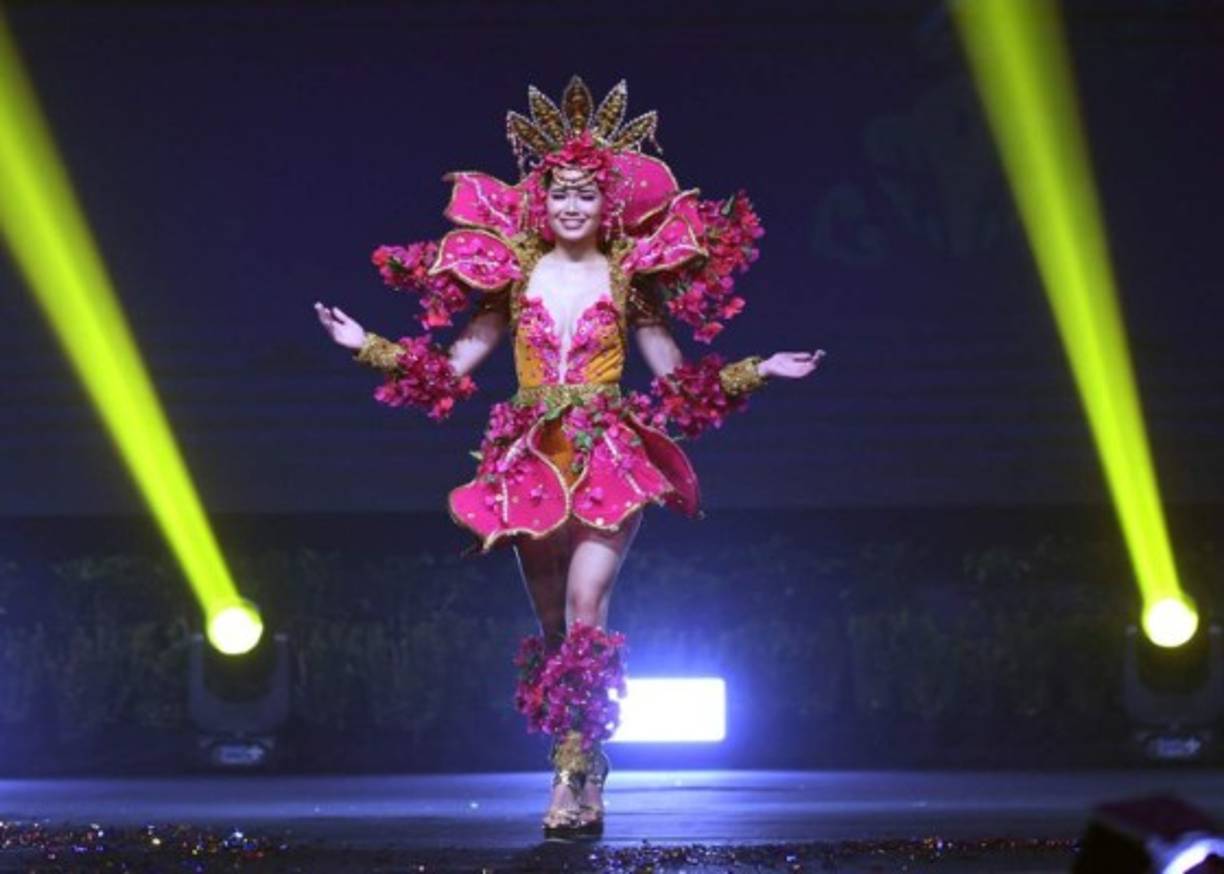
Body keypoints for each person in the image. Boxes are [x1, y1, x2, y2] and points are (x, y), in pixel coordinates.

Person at [316, 76, 823, 838]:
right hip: (529, 462)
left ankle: (568, 778)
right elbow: (447, 372)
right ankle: (585, 764)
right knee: (555, 628)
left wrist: (761, 368)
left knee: (588, 607)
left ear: (605, 203)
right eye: (561, 194)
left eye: (586, 194)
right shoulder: (513, 279)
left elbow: (680, 385)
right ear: (543, 201)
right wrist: (366, 345)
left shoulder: (628, 282)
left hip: (607, 455)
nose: (573, 206)